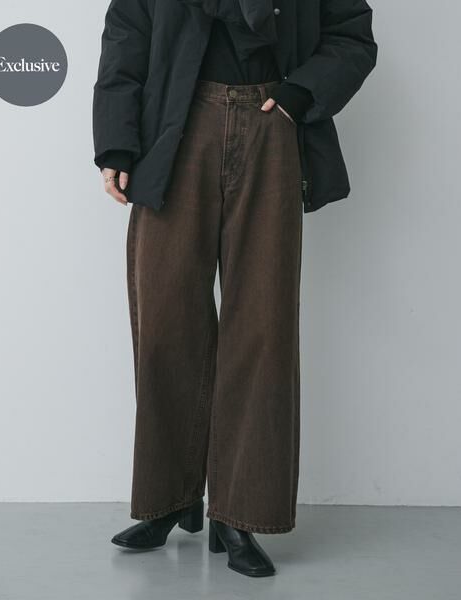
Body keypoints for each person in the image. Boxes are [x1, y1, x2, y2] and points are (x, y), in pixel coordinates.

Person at [93, 0, 377, 578]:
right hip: (173, 127)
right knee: (165, 320)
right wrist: (116, 144)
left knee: (262, 326)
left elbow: (352, 35)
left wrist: (300, 93)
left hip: (272, 123)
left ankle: (239, 514)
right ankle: (168, 500)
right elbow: (127, 35)